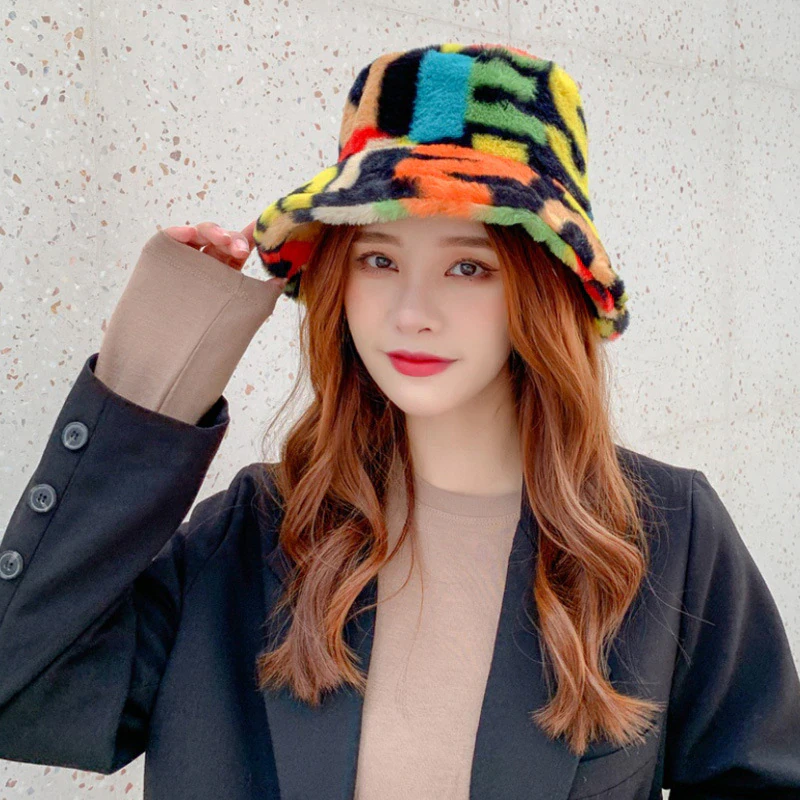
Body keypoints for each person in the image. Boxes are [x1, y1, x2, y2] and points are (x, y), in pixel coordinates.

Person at [1, 41, 799, 800]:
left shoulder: (665, 537)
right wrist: (159, 361)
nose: (412, 311)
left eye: (468, 266)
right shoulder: (257, 534)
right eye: (379, 259)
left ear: (543, 290)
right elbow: (24, 691)